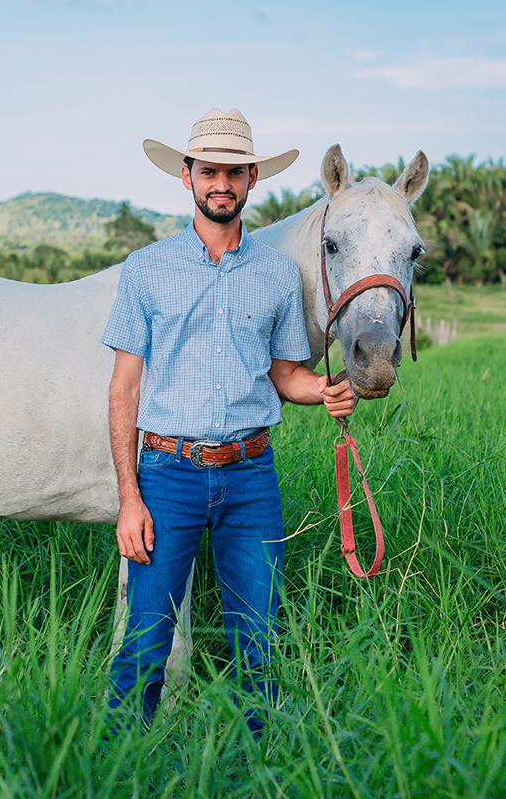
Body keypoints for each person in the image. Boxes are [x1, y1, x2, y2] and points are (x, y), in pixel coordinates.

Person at [101, 108, 356, 735]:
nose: (222, 184)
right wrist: (128, 498)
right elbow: (123, 387)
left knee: (260, 643)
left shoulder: (275, 275)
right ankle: (118, 763)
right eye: (209, 171)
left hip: (251, 479)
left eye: (234, 173)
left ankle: (256, 768)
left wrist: (324, 389)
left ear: (251, 181)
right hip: (167, 475)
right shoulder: (146, 269)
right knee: (144, 644)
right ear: (187, 176)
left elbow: (283, 373)